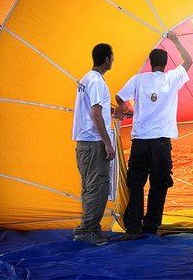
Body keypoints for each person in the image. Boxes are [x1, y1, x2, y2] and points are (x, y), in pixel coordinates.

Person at [116, 31, 193, 240]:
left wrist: (125, 111)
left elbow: (119, 97)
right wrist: (175, 40)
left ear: (150, 63)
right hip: (160, 142)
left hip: (140, 140)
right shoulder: (171, 77)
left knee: (136, 183)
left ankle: (133, 227)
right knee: (159, 184)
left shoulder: (138, 80)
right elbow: (189, 61)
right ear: (166, 64)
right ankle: (151, 227)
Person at [72, 43, 116, 245]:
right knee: (98, 187)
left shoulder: (86, 79)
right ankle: (86, 231)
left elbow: (95, 111)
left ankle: (91, 227)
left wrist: (115, 113)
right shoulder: (97, 81)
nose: (113, 60)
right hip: (94, 144)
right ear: (106, 59)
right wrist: (108, 143)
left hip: (83, 143)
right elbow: (95, 113)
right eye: (112, 57)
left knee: (90, 188)